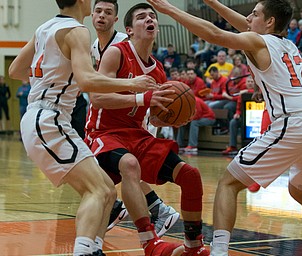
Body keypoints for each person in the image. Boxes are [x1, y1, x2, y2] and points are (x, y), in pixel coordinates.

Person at [147, 1, 302, 256]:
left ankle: (218, 252)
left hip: (293, 123)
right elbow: (245, 24)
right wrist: (213, 3)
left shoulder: (261, 42)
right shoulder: (287, 44)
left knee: (228, 182)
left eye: (255, 14)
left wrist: (169, 10)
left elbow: (214, 35)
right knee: (300, 190)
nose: (248, 18)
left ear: (269, 22)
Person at [8, 0, 158, 255]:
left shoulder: (45, 27)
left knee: (108, 192)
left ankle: (93, 248)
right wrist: (132, 85)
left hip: (42, 118)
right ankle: (83, 252)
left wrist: (50, 77)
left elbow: (15, 69)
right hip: (50, 118)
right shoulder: (78, 30)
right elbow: (87, 80)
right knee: (97, 190)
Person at [85, 3, 209, 255]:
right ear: (129, 30)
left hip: (136, 133)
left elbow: (153, 116)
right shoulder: (116, 53)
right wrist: (141, 98)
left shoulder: (159, 70)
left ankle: (194, 245)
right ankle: (149, 242)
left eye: (152, 16)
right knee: (130, 165)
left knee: (190, 175)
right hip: (103, 132)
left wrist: (173, 118)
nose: (149, 19)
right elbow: (97, 97)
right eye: (141, 17)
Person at [87, 0, 179, 237]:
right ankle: (146, 209)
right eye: (98, 12)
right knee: (112, 171)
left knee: (126, 167)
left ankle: (149, 214)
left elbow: (143, 82)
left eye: (108, 13)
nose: (102, 17)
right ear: (91, 14)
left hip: (137, 117)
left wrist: (156, 109)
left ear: (117, 21)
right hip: (121, 116)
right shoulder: (96, 46)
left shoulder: (122, 44)